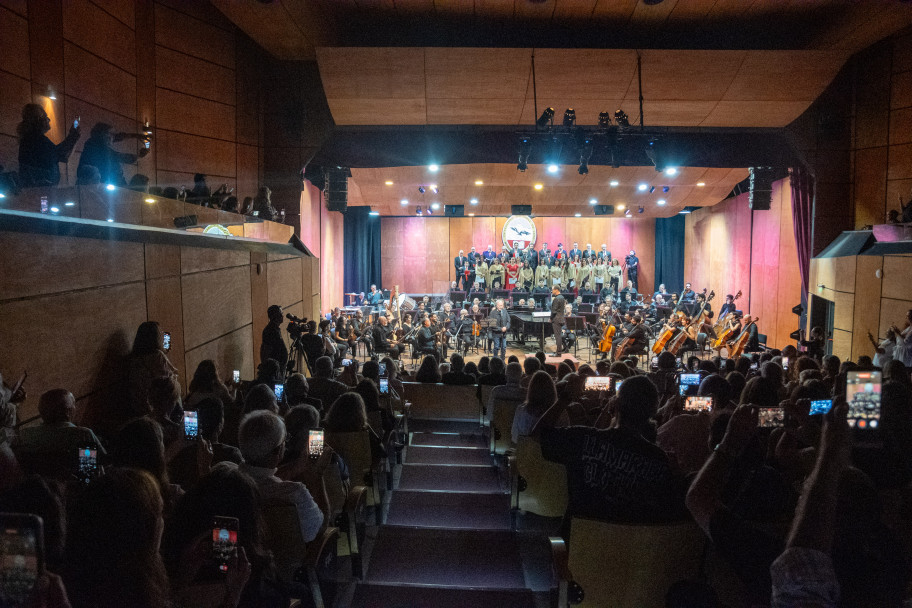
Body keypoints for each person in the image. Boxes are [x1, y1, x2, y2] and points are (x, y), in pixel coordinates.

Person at [536, 375, 686, 524]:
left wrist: (564, 399)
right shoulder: (659, 460)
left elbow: (537, 436)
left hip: (581, 543)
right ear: (653, 412)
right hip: (633, 546)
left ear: (615, 405)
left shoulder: (583, 439)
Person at [63, 468, 174, 608]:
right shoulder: (136, 593)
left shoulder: (77, 585)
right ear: (139, 529)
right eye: (159, 513)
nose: (163, 522)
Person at [238, 411, 324, 542]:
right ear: (278, 451)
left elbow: (260, 476)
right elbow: (319, 530)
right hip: (290, 561)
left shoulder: (225, 479)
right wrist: (318, 474)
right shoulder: (295, 493)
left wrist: (295, 468)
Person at [14, 389, 105, 475]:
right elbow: (91, 471)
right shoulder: (83, 435)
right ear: (68, 411)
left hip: (37, 487)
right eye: (74, 404)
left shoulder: (25, 434)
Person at [17, 103, 81, 187]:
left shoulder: (30, 139)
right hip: (40, 191)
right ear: (38, 120)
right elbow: (60, 154)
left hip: (38, 190)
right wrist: (73, 135)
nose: (49, 119)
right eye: (46, 117)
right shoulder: (36, 140)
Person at [127, 321, 177, 420]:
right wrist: (163, 355)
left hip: (137, 406)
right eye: (160, 332)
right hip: (155, 407)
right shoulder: (157, 356)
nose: (162, 335)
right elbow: (169, 380)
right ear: (156, 337)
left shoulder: (134, 358)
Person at [78, 122, 149, 186]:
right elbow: (123, 157)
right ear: (103, 134)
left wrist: (136, 136)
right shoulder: (99, 148)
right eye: (111, 134)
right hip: (104, 189)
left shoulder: (93, 143)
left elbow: (117, 137)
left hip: (102, 186)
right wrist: (140, 156)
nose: (112, 137)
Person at [510, 369, 557, 442]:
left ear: (530, 389)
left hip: (525, 452)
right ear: (553, 390)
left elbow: (515, 438)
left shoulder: (521, 410)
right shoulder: (561, 413)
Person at [260, 305, 289, 372]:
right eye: (280, 314)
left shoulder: (275, 329)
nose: (282, 316)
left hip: (279, 367)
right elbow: (266, 350)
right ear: (275, 315)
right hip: (274, 369)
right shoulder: (270, 330)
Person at [550, 287, 566, 355]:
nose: (552, 291)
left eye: (553, 289)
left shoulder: (556, 298)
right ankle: (559, 351)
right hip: (561, 318)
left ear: (556, 290)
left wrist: (551, 318)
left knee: (557, 336)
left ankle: (558, 352)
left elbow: (554, 311)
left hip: (556, 319)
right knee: (559, 335)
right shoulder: (562, 297)